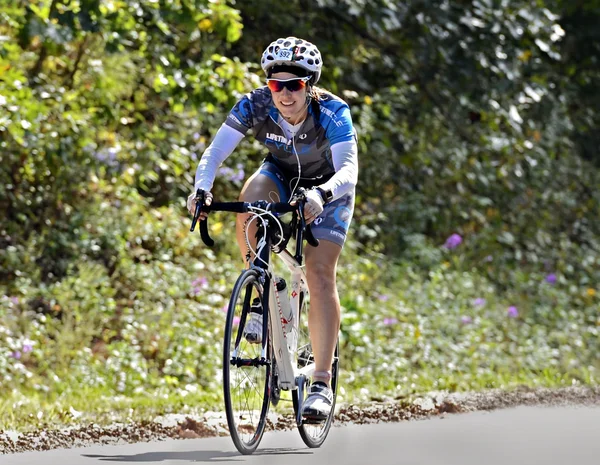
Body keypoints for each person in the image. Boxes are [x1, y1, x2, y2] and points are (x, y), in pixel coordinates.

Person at [187, 36, 358, 421]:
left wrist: (321, 195)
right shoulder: (256, 103)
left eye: (294, 85)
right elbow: (214, 153)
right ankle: (261, 290)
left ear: (308, 86)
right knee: (250, 203)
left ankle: (321, 382)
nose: (283, 93)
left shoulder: (332, 112)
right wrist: (201, 189)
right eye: (276, 84)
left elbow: (349, 169)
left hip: (330, 187)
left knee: (317, 273)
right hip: (281, 174)